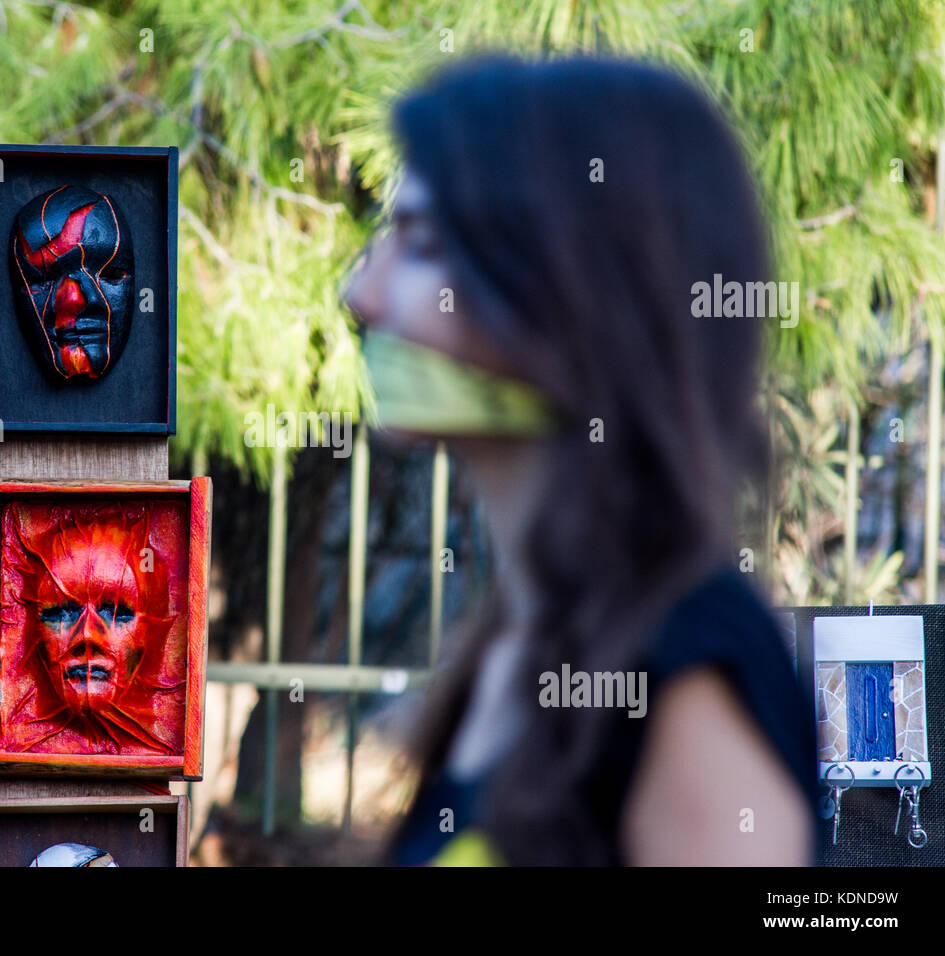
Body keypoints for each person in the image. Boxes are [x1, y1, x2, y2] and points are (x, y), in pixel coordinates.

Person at [342, 55, 817, 866]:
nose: (361, 295)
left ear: (572, 295)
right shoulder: (512, 653)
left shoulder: (690, 662)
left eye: (419, 244)